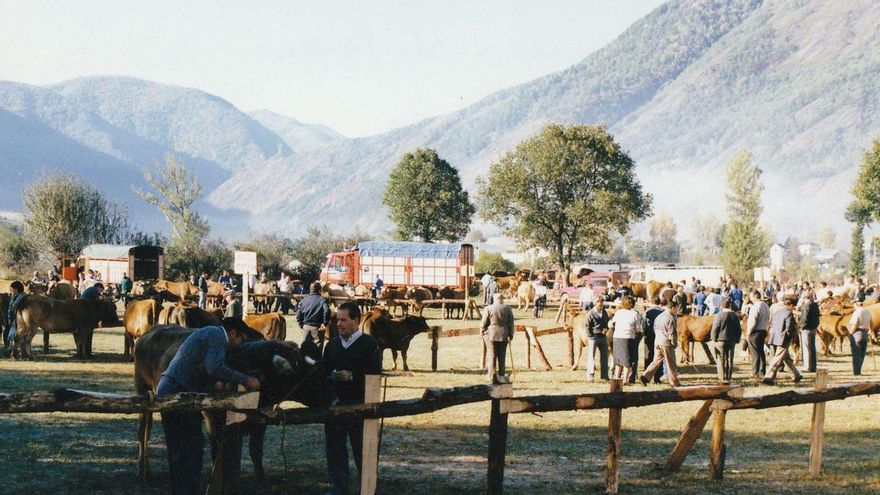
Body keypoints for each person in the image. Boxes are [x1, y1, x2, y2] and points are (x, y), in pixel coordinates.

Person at [157, 320, 260, 495]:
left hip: (179, 389)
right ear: (233, 333)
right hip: (177, 391)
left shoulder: (211, 334)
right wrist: (246, 380)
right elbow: (215, 367)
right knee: (186, 447)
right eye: (241, 340)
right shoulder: (217, 336)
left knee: (189, 446)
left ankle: (186, 489)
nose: (239, 346)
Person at [323, 301, 382, 495]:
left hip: (361, 406)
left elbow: (375, 373)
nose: (339, 324)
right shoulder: (331, 345)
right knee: (335, 450)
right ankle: (339, 488)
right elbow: (323, 372)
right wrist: (331, 375)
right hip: (335, 407)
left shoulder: (370, 344)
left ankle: (367, 488)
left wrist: (353, 376)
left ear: (356, 320)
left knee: (362, 450)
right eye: (337, 320)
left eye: (343, 320)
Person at [640, 299, 680, 387]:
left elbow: (654, 328)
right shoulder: (670, 318)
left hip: (657, 341)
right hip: (666, 343)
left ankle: (645, 376)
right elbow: (672, 333)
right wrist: (674, 343)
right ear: (672, 308)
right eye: (676, 308)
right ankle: (675, 382)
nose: (677, 310)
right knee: (671, 364)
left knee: (656, 361)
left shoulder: (659, 316)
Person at [763, 298, 802, 385]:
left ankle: (796, 375)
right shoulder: (789, 314)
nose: (794, 308)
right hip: (783, 339)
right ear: (791, 305)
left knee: (786, 358)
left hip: (774, 337)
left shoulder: (778, 312)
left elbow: (772, 323)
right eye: (793, 306)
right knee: (777, 358)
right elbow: (789, 328)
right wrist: (791, 337)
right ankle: (768, 377)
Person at [609, 296, 643, 384]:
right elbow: (638, 328)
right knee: (627, 361)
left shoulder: (618, 312)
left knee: (618, 360)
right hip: (628, 338)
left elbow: (611, 324)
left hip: (617, 337)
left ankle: (617, 378)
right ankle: (625, 380)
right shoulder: (635, 314)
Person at [481, 293, 515, 381]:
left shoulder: (488, 308)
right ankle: (501, 376)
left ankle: (491, 375)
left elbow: (484, 322)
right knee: (502, 356)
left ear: (494, 299)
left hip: (491, 334)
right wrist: (511, 335)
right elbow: (511, 324)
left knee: (492, 355)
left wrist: (482, 330)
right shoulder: (508, 309)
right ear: (501, 299)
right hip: (504, 334)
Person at [710, 298, 741, 383]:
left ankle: (722, 377)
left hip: (720, 340)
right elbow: (738, 329)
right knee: (730, 360)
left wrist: (714, 338)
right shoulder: (735, 316)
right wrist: (738, 339)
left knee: (720, 360)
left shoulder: (719, 315)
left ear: (722, 305)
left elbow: (715, 328)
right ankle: (729, 377)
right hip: (731, 340)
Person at [298, 282, 331, 351]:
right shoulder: (322, 300)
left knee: (304, 348)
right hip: (317, 327)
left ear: (310, 289)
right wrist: (324, 323)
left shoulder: (303, 300)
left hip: (306, 326)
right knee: (317, 350)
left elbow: (298, 313)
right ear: (319, 290)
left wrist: (301, 324)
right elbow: (327, 311)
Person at [584, 298, 610, 381]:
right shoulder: (590, 313)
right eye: (599, 303)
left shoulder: (604, 312)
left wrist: (606, 328)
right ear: (595, 303)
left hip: (603, 336)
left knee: (604, 357)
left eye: (602, 303)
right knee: (591, 356)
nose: (601, 305)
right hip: (593, 337)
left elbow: (607, 322)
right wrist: (590, 336)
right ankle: (590, 375)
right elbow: (587, 326)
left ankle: (605, 376)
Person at [746, 290, 770, 377]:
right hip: (763, 330)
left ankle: (755, 372)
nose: (750, 298)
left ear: (755, 296)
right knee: (761, 352)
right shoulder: (766, 305)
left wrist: (748, 333)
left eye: (751, 296)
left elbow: (753, 321)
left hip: (755, 331)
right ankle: (762, 371)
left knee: (755, 353)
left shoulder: (756, 306)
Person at [643, 297, 664, 383]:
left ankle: (646, 376)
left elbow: (644, 324)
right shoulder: (663, 312)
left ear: (650, 302)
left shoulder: (647, 312)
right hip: (659, 336)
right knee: (659, 357)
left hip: (649, 336)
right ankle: (657, 377)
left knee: (648, 356)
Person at [848, 300, 871, 376]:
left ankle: (857, 372)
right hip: (865, 332)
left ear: (856, 304)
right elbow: (872, 323)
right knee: (862, 353)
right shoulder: (867, 311)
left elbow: (854, 324)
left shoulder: (857, 312)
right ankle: (859, 370)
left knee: (856, 353)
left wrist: (850, 333)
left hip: (857, 333)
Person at [799, 291, 820, 373]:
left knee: (806, 348)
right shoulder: (815, 305)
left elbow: (804, 318)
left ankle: (807, 367)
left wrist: (802, 327)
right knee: (812, 347)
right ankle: (813, 366)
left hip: (806, 329)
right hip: (814, 328)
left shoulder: (806, 305)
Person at [5, 281, 26, 356]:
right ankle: (11, 349)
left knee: (18, 335)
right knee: (12, 334)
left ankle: (17, 351)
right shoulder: (15, 296)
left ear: (16, 289)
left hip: (19, 319)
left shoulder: (22, 297)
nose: (10, 291)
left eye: (12, 289)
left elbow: (14, 306)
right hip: (13, 318)